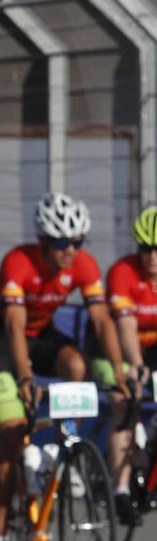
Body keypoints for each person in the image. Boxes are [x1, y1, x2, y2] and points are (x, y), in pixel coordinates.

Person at [0, 193, 127, 541]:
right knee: (11, 434)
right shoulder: (18, 262)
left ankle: (63, 445)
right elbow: (12, 325)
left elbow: (102, 321)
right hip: (1, 339)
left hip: (39, 333)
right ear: (43, 241)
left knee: (75, 364)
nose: (71, 251)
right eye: (62, 244)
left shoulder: (83, 264)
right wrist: (24, 377)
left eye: (78, 242)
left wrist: (119, 371)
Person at [106, 207, 157, 520]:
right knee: (124, 403)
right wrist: (136, 367)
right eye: (145, 248)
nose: (152, 256)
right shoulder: (123, 273)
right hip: (119, 349)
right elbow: (125, 328)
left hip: (154, 349)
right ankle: (121, 491)